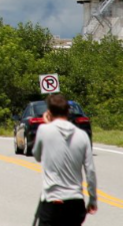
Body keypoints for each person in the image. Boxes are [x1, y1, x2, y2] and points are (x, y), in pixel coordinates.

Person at [32, 93, 97, 225]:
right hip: (75, 201)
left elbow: (37, 156)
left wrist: (48, 124)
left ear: (49, 112)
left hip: (52, 200)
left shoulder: (44, 130)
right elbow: (90, 171)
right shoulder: (82, 135)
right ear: (68, 111)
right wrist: (92, 199)